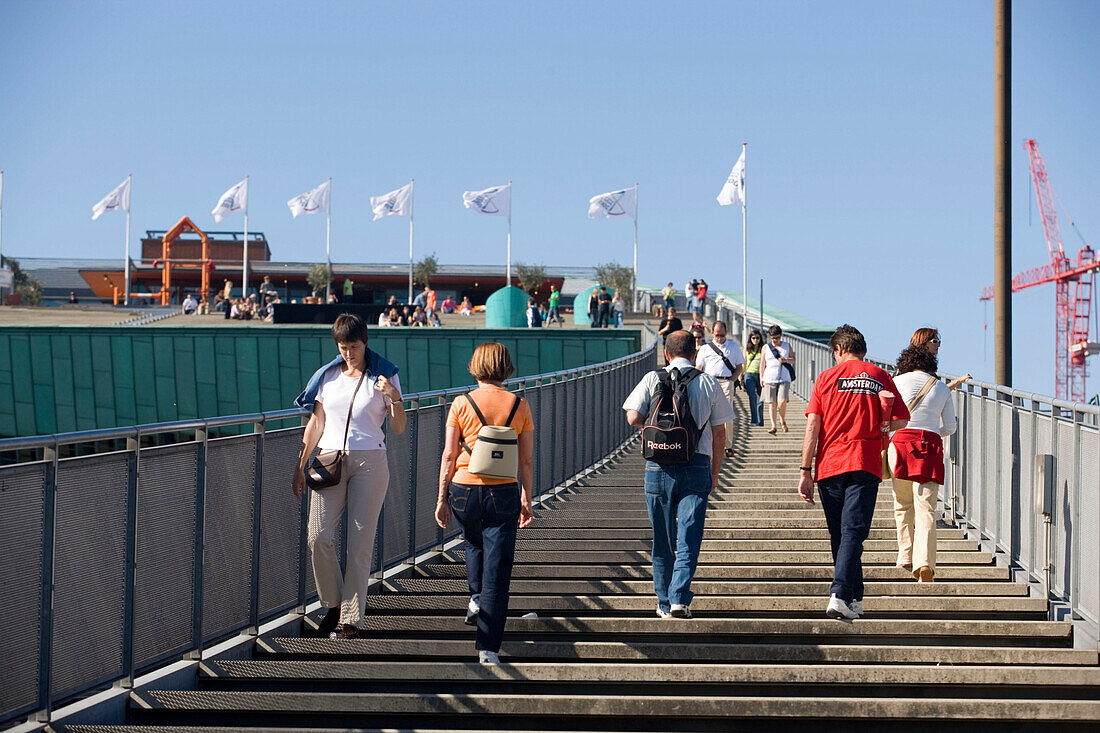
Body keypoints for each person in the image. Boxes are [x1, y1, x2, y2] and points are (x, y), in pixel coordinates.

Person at [293, 313, 406, 639]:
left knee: (359, 545)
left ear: (364, 343)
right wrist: (299, 466)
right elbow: (315, 424)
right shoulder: (327, 377)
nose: (348, 354)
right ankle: (333, 602)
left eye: (353, 347)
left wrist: (394, 398)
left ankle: (350, 621)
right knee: (318, 536)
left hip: (371, 462)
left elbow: (397, 427)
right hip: (329, 461)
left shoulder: (385, 375)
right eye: (343, 347)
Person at [797, 324, 909, 620]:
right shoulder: (880, 376)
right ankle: (841, 594)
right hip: (864, 461)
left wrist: (805, 469)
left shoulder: (825, 378)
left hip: (829, 464)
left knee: (841, 534)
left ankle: (853, 597)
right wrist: (878, 424)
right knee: (853, 532)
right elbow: (901, 420)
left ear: (838, 350)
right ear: (862, 349)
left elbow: (813, 426)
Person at [435, 343, 535, 664]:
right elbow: (527, 460)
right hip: (502, 490)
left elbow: (449, 454)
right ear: (506, 367)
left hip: (463, 488)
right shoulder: (519, 405)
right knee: (498, 566)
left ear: (475, 366)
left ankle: (476, 599)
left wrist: (441, 498)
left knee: (474, 541)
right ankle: (488, 647)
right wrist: (526, 498)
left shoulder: (460, 403)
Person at [623, 330, 734, 619]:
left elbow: (633, 417)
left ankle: (662, 603)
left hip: (657, 464)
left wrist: (659, 428)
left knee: (662, 538)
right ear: (695, 353)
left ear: (666, 353)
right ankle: (679, 600)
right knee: (689, 536)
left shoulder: (652, 378)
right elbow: (720, 433)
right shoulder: (708, 382)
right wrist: (715, 472)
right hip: (696, 464)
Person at [889, 344, 957, 583]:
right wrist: (930, 431)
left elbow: (888, 416)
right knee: (926, 508)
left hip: (900, 444)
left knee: (902, 504)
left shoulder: (897, 381)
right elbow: (950, 427)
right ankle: (925, 564)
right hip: (929, 445)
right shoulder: (940, 387)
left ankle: (905, 555)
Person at [696, 320, 745, 458]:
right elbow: (699, 367)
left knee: (727, 415)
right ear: (712, 333)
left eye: (722, 335)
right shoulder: (705, 349)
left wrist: (732, 380)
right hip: (709, 381)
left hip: (726, 381)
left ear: (726, 334)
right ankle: (708, 443)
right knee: (707, 414)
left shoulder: (733, 346)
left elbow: (739, 367)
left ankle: (728, 445)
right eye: (717, 335)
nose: (719, 338)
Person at [760, 325, 795, 434]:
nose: (775, 340)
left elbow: (793, 360)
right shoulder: (766, 347)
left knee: (782, 400)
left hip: (784, 377)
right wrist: (761, 378)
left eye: (777, 338)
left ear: (781, 336)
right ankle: (773, 425)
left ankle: (782, 420)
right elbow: (762, 364)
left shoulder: (786, 346)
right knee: (772, 402)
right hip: (769, 377)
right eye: (773, 338)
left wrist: (786, 360)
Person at [742, 329, 765, 427]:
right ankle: (754, 420)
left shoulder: (763, 349)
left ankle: (761, 421)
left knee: (761, 398)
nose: (755, 340)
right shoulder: (747, 349)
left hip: (760, 375)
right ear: (750, 339)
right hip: (749, 374)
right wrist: (740, 377)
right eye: (753, 338)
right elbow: (743, 364)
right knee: (752, 397)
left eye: (757, 338)